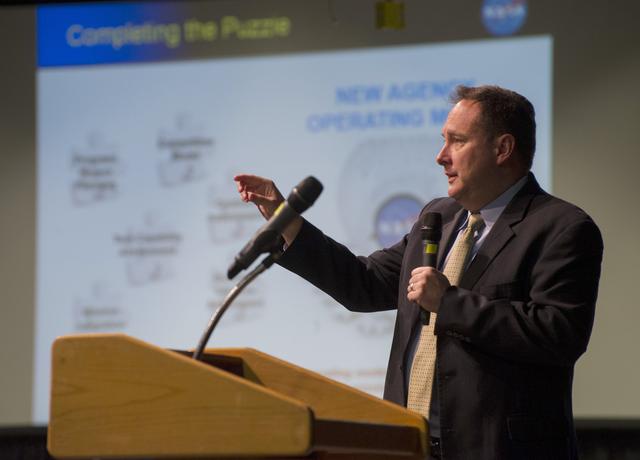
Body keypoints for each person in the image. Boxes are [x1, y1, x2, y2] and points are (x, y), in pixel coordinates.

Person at [234, 85, 603, 460]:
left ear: (502, 149)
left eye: (457, 141)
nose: (441, 156)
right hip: (411, 444)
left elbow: (560, 334)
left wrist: (450, 303)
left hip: (499, 449)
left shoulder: (560, 227)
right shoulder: (439, 217)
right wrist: (288, 223)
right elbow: (364, 284)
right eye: (443, 140)